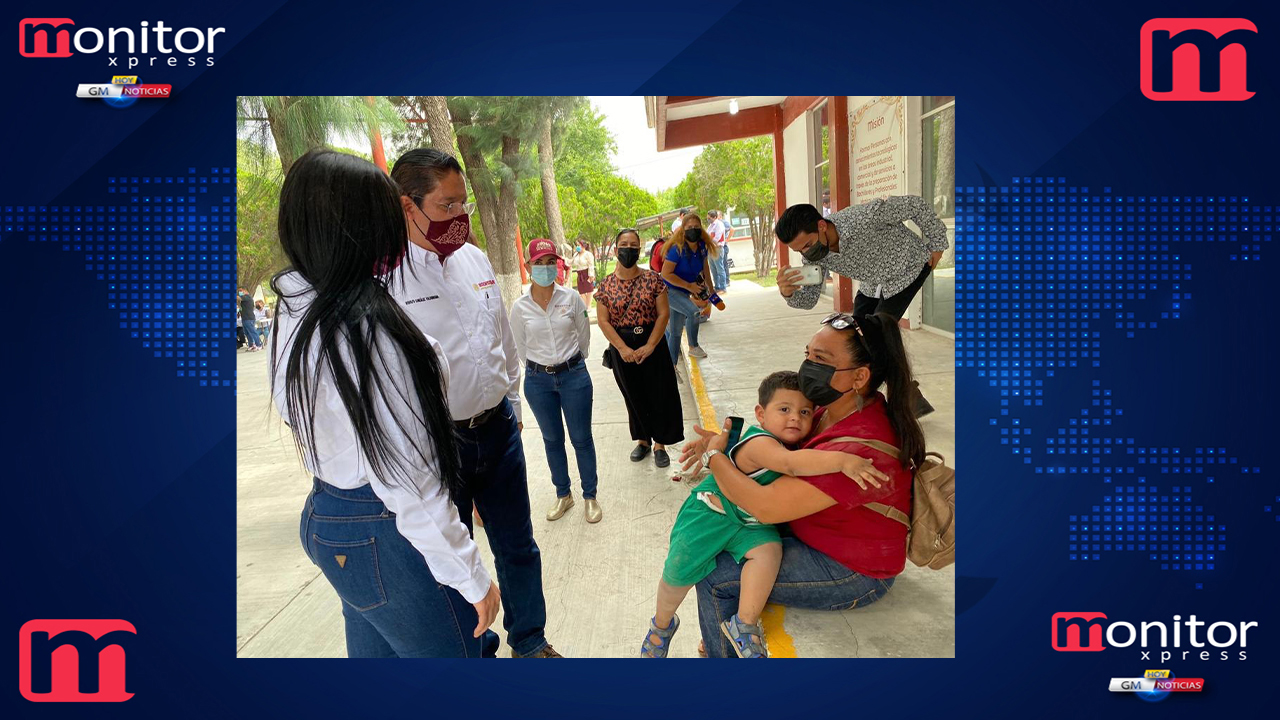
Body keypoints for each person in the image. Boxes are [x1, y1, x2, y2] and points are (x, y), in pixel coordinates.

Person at [269, 149, 500, 658]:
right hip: (384, 528)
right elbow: (408, 479)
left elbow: (294, 412)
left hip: (330, 514)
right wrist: (470, 573)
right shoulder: (370, 329)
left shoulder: (295, 308)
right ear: (362, 227)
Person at [388, 148, 561, 659]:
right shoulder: (388, 281)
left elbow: (501, 340)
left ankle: (530, 641)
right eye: (447, 206)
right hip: (440, 445)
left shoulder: (474, 258)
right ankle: (476, 650)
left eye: (463, 204)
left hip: (498, 430)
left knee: (518, 547)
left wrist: (512, 403)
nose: (460, 217)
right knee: (452, 562)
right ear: (406, 208)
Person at [678, 312, 925, 658]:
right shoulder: (833, 409)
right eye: (808, 354)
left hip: (851, 570)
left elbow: (763, 506)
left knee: (713, 574)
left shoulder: (859, 450)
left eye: (820, 360)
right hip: (824, 535)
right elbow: (778, 447)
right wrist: (727, 442)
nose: (808, 367)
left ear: (860, 377)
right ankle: (722, 630)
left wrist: (716, 458)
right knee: (722, 538)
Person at [640, 371, 888, 658]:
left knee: (769, 552)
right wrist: (843, 459)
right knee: (678, 576)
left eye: (804, 412)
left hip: (748, 522)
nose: (795, 417)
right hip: (710, 516)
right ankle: (661, 626)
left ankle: (743, 624)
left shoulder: (787, 442)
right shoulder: (761, 443)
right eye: (784, 410)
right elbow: (791, 465)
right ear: (761, 414)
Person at [774, 195, 949, 416]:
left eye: (807, 245)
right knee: (853, 338)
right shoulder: (814, 257)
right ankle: (908, 396)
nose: (806, 253)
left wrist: (937, 245)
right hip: (872, 283)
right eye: (799, 251)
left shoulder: (864, 218)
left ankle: (896, 399)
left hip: (908, 269)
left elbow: (915, 205)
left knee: (878, 335)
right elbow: (809, 300)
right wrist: (788, 293)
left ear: (821, 225)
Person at [510, 238, 601, 524]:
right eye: (539, 263)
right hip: (539, 382)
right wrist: (541, 367)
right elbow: (519, 346)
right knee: (552, 440)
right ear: (528, 266)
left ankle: (590, 496)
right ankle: (564, 494)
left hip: (573, 376)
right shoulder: (520, 307)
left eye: (551, 262)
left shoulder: (571, 298)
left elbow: (583, 335)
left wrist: (571, 362)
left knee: (581, 439)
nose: (546, 268)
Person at [595, 228, 683, 469]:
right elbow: (603, 321)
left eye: (634, 245)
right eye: (624, 244)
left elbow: (663, 313)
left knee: (660, 393)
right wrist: (622, 348)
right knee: (632, 395)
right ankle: (643, 440)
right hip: (621, 347)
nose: (629, 249)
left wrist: (651, 345)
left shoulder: (653, 279)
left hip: (652, 343)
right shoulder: (605, 286)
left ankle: (660, 445)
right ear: (615, 250)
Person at [660, 213, 718, 362]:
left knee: (675, 332)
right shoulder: (676, 249)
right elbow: (665, 274)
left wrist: (711, 291)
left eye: (696, 227)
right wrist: (689, 286)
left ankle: (671, 367)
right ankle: (693, 347)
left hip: (683, 292)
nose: (693, 230)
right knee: (693, 313)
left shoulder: (701, 247)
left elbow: (705, 269)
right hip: (669, 291)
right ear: (683, 229)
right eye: (689, 227)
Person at [707, 210, 729, 294]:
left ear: (715, 217)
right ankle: (717, 287)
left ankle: (723, 288)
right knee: (713, 269)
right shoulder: (710, 226)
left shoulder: (719, 225)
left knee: (720, 269)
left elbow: (717, 238)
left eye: (710, 218)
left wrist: (709, 242)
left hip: (717, 248)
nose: (708, 219)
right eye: (708, 218)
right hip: (710, 249)